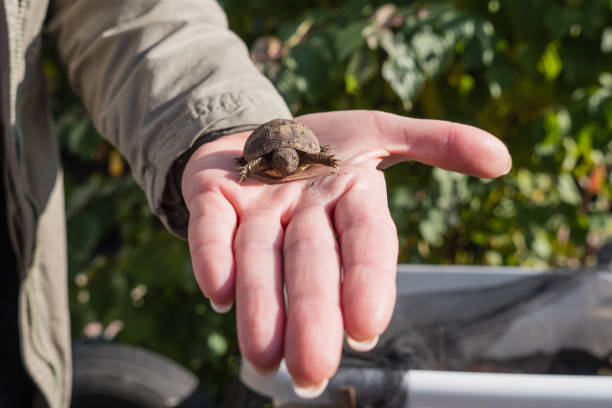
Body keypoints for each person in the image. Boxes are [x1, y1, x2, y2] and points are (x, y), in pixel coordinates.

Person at [0, 0, 512, 406]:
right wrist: (248, 162)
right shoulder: (263, 161)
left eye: (292, 164)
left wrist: (213, 121)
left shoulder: (297, 154)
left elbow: (128, 14)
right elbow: (255, 161)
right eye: (283, 165)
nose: (286, 170)